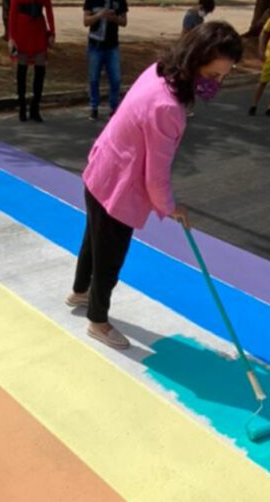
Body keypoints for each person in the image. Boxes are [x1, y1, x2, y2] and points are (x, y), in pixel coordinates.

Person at [66, 21, 243, 349]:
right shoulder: (168, 108)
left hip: (102, 171)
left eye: (223, 76)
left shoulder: (159, 71)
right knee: (110, 260)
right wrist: (172, 207)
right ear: (194, 61)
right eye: (214, 75)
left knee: (93, 240)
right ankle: (98, 321)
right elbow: (155, 176)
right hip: (120, 189)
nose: (217, 83)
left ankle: (79, 292)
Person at [7, 0, 55, 122]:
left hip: (38, 27)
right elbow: (12, 11)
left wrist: (52, 32)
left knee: (40, 67)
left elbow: (48, 9)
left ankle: (35, 106)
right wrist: (11, 37)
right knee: (22, 67)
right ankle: (22, 105)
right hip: (22, 28)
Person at [83, 0, 129, 121]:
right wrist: (99, 15)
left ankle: (114, 107)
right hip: (95, 44)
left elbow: (124, 21)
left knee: (115, 78)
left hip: (112, 44)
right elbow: (85, 21)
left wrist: (113, 18)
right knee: (94, 77)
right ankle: (94, 107)